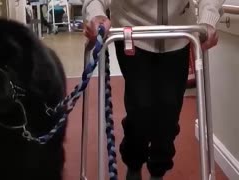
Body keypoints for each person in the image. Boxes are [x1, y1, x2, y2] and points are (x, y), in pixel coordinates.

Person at [81, 0, 225, 180]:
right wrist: (96, 12)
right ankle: (134, 163)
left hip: (179, 33)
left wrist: (208, 17)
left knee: (169, 114)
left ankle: (158, 171)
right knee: (140, 108)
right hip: (131, 30)